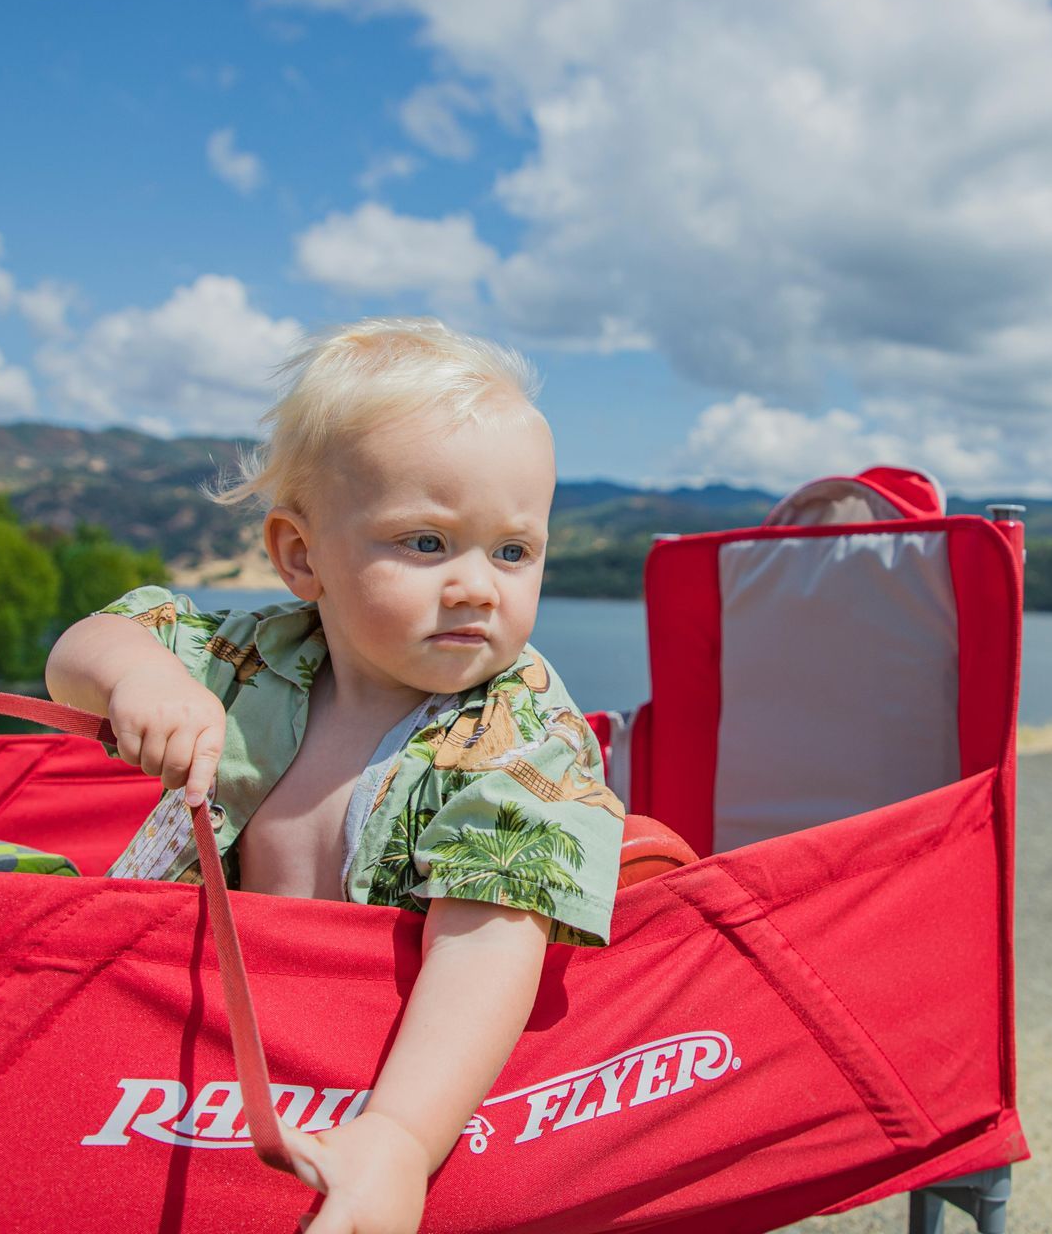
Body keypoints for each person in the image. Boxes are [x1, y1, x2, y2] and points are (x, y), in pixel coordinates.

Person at [44, 318, 626, 1234]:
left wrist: (398, 1136)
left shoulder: (519, 736)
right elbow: (87, 645)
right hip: (184, 1043)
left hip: (381, 1072)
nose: (478, 585)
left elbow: (487, 944)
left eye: (513, 551)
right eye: (427, 543)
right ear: (301, 555)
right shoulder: (249, 660)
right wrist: (139, 677)